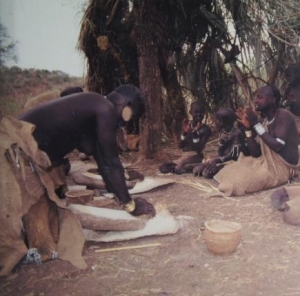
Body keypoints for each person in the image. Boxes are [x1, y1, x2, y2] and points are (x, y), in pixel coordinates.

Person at [19, 85, 155, 217]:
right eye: (130, 116)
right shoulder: (105, 108)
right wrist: (131, 206)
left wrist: (125, 200)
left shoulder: (95, 108)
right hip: (15, 150)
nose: (125, 123)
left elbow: (104, 164)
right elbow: (111, 163)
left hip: (20, 149)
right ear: (127, 104)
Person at [214, 85, 299, 196]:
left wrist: (255, 123)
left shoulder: (283, 115)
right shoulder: (265, 121)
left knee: (238, 183)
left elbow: (277, 145)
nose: (255, 101)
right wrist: (248, 128)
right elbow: (256, 153)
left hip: (283, 168)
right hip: (266, 163)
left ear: (272, 100)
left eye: (260, 97)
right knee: (233, 168)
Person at [193, 108, 248, 178]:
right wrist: (221, 142)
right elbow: (220, 153)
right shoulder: (224, 132)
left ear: (224, 122)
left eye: (218, 120)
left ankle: (225, 170)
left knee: (206, 174)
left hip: (234, 161)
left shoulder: (237, 133)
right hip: (223, 159)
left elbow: (234, 156)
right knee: (196, 170)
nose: (216, 122)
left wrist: (218, 160)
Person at [159, 100, 211, 174]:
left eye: (201, 112)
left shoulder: (206, 129)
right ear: (190, 112)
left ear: (204, 113)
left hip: (196, 157)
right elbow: (180, 146)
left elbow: (199, 149)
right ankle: (182, 167)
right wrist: (184, 133)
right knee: (163, 167)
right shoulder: (187, 126)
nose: (199, 114)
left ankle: (183, 167)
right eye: (196, 112)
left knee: (181, 166)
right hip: (185, 156)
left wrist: (194, 134)